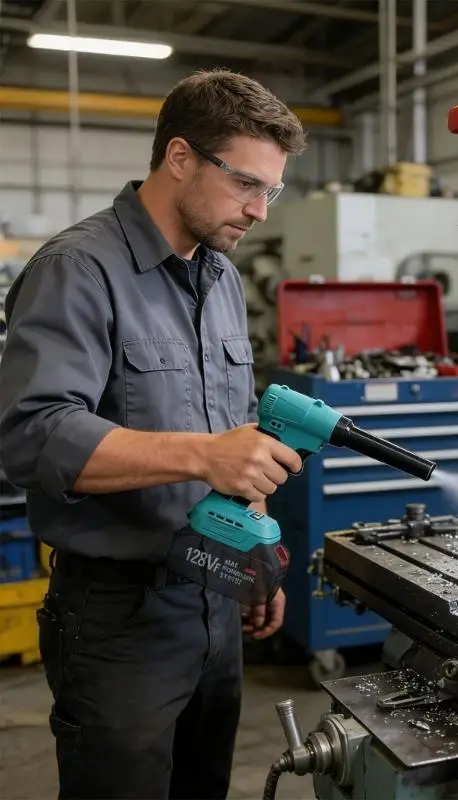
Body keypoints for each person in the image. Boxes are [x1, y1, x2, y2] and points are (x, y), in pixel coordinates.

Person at [0, 69, 307, 799]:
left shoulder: (221, 279)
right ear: (179, 158)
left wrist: (254, 554)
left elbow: (235, 434)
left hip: (213, 596)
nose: (260, 211)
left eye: (273, 190)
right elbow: (30, 435)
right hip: (117, 621)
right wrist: (202, 455)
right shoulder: (78, 268)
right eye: (246, 185)